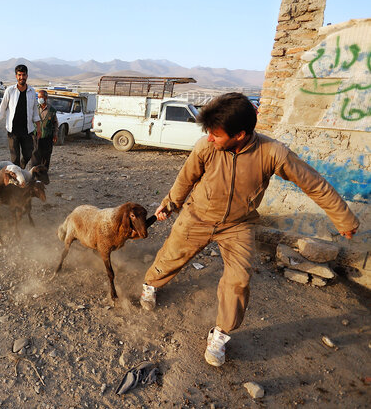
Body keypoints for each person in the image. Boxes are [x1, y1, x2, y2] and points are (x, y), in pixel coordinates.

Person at [139, 93, 359, 368]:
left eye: (216, 135)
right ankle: (151, 285)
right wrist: (170, 203)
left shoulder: (273, 153)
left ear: (240, 134)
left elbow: (313, 184)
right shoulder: (205, 147)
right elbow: (186, 178)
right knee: (171, 257)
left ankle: (220, 335)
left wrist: (344, 219)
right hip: (197, 216)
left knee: (239, 280)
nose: (210, 139)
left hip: (238, 225)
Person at [0, 64, 42, 168]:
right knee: (15, 158)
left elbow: (35, 111)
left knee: (28, 153)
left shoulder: (32, 91)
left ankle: (22, 166)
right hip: (13, 130)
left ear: (27, 76)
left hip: (27, 130)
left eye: (23, 75)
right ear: (16, 76)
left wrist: (39, 127)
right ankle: (17, 177)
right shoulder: (10, 91)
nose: (21, 77)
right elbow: (2, 108)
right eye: (19, 75)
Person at [30, 90, 58, 169]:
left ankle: (44, 171)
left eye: (41, 97)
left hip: (47, 136)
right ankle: (34, 171)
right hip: (36, 135)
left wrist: (55, 134)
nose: (39, 99)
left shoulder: (52, 110)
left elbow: (55, 123)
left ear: (46, 98)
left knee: (46, 154)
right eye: (38, 97)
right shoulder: (35, 108)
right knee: (35, 153)